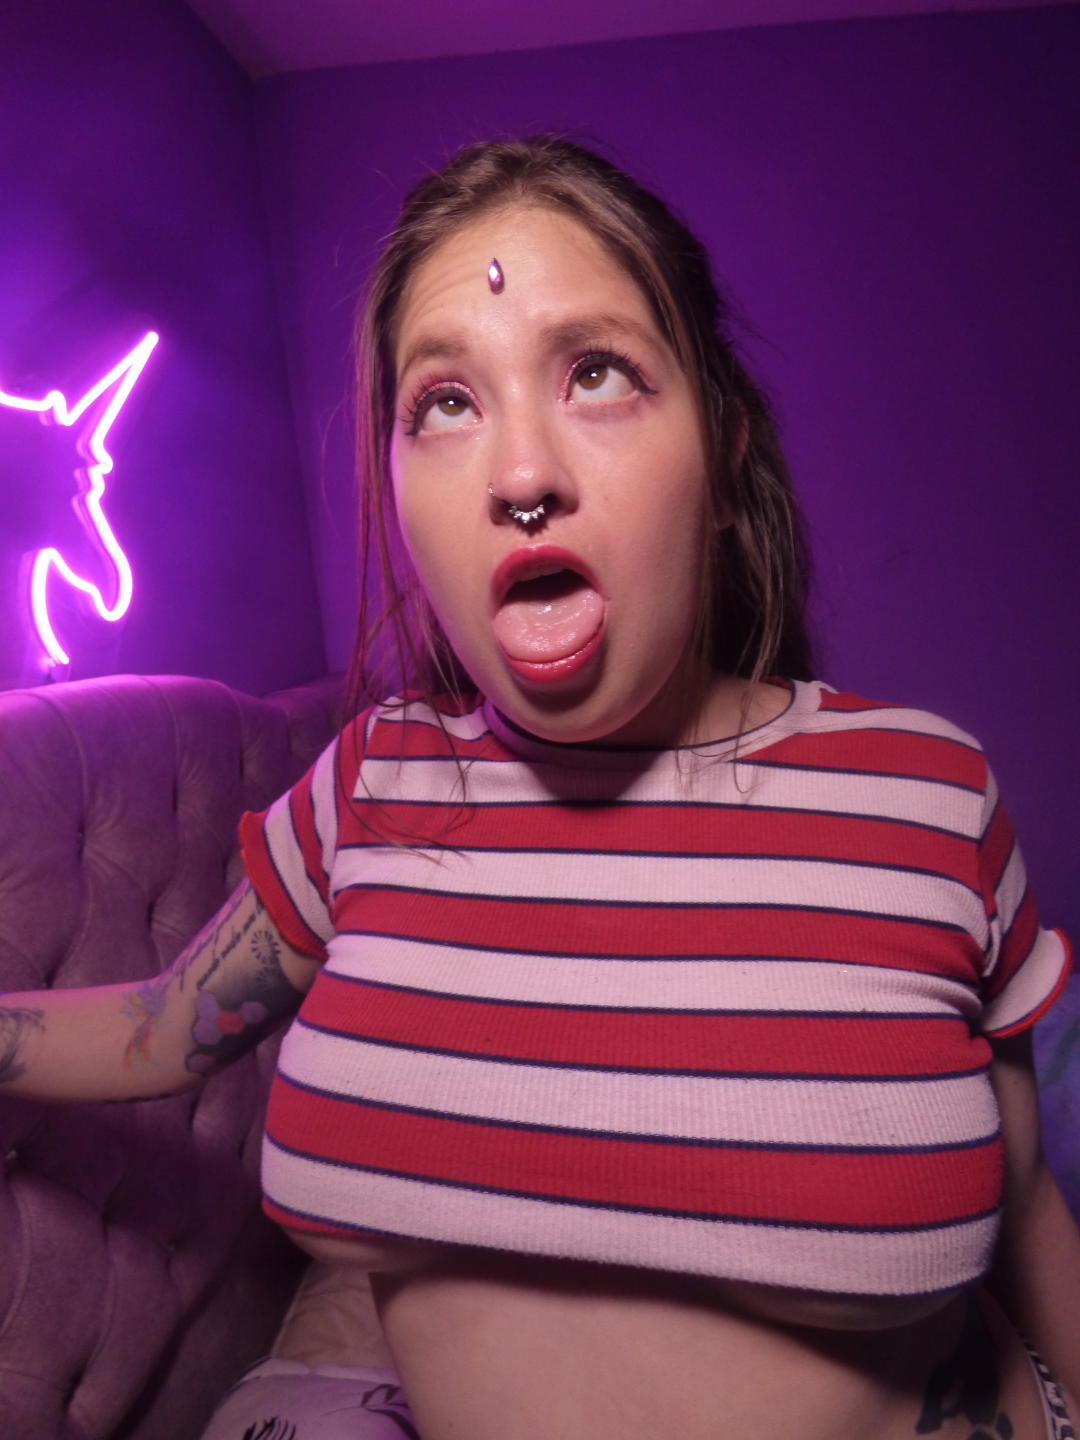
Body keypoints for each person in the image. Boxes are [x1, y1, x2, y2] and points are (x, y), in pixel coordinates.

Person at [1, 135, 1077, 1440]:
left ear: (725, 459)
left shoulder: (926, 792)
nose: (521, 476)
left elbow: (1028, 1205)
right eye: (445, 401)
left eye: (598, 373)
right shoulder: (369, 788)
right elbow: (162, 1028)